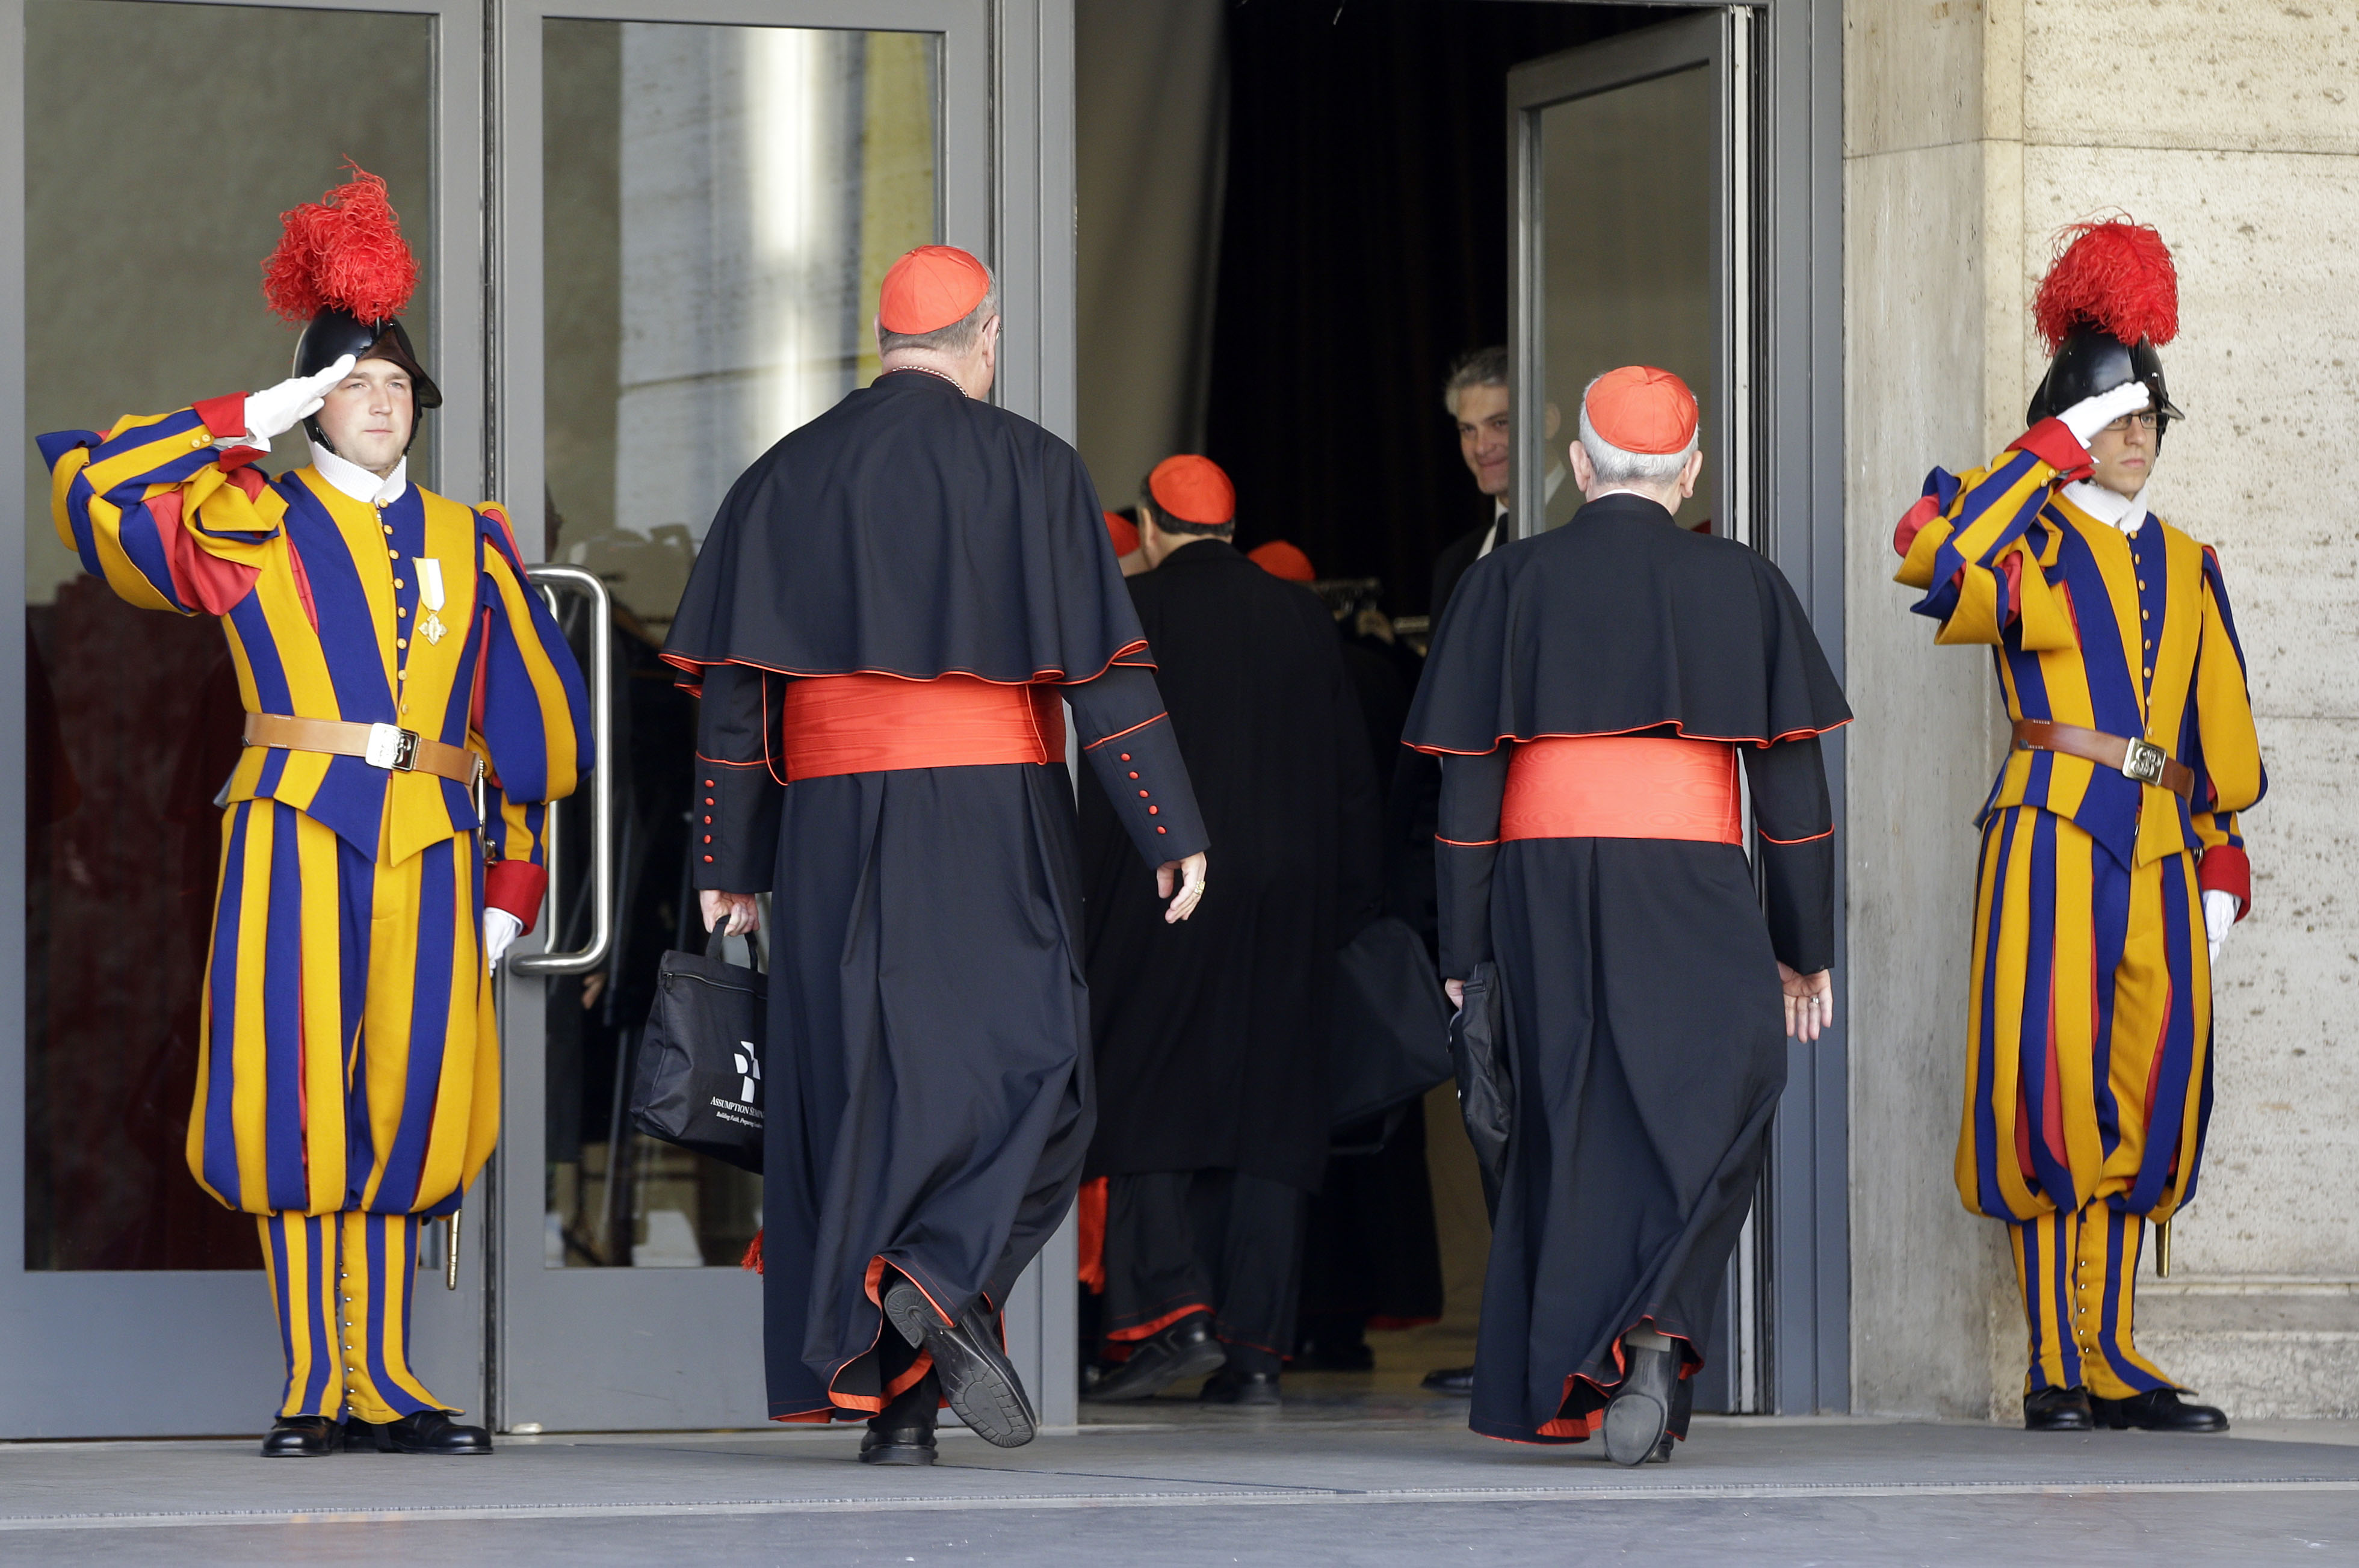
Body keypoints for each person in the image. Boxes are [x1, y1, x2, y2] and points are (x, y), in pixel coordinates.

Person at [38, 167, 592, 1458]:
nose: (382, 403)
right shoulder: (251, 517)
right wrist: (248, 414)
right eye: (354, 386)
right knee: (297, 1104)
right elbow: (99, 490)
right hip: (297, 830)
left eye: (396, 387)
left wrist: (514, 887)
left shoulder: (476, 536)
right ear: (315, 409)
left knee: (414, 1111)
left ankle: (387, 1380)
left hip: (437, 847)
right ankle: (313, 1383)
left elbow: (523, 738)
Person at [665, 245, 1210, 1465]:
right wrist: (1168, 828)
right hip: (989, 810)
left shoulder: (783, 473)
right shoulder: (1034, 468)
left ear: (879, 337)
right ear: (988, 336)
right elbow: (1104, 671)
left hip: (828, 828)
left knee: (862, 1097)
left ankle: (896, 1395)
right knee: (1047, 1078)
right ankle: (931, 1290)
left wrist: (728, 859)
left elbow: (736, 703)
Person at [1404, 365, 1849, 1463]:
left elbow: (1464, 801)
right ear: (1692, 470)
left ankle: (1602, 1354)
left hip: (1538, 884)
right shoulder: (1744, 582)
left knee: (1572, 1117)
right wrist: (1803, 951)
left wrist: (1464, 951)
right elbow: (1793, 803)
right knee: (1725, 1096)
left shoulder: (1505, 582)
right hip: (1693, 879)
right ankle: (1654, 1328)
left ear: (1578, 465)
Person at [1892, 218, 2263, 1434]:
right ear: (2071, 434)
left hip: (2158, 843)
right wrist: (2045, 448)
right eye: (2116, 424)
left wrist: (2219, 873)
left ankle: (2109, 1352)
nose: (2138, 442)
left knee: (2146, 1091)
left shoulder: (2193, 560)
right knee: (2047, 1091)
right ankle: (2054, 1362)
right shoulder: (2024, 525)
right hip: (2050, 827)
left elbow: (2215, 750)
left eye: (2149, 422)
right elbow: (1936, 555)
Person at [1078, 459, 1380, 1406]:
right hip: (1288, 897)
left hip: (1158, 880)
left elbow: (1101, 768)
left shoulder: (1135, 609)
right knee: (1270, 1109)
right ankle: (1256, 1346)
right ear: (1232, 527)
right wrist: (1348, 905)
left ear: (1150, 526)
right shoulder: (1300, 616)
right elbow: (1348, 775)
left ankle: (1168, 1314)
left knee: (1143, 1081)